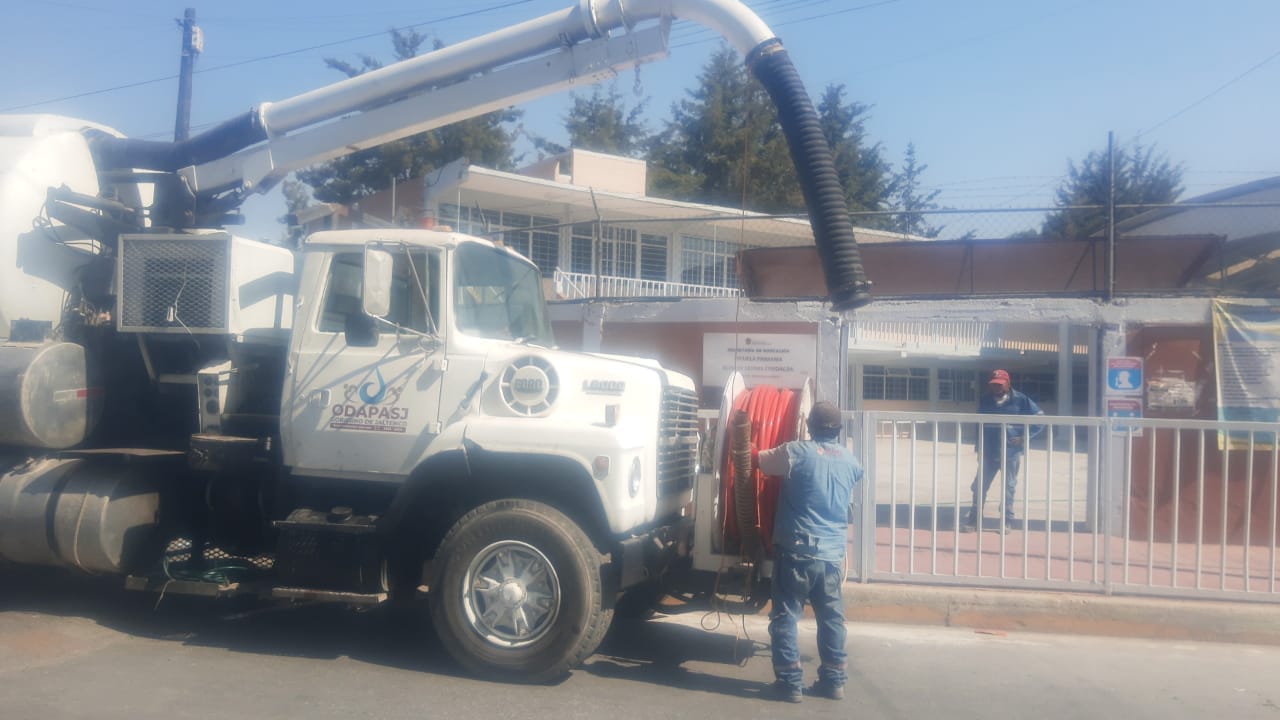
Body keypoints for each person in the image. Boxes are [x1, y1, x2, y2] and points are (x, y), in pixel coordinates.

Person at [756, 401, 863, 703]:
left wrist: (746, 440)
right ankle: (834, 681)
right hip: (831, 557)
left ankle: (790, 683)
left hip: (796, 552)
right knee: (831, 618)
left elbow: (756, 461)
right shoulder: (851, 462)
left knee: (786, 615)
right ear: (839, 430)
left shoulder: (795, 453)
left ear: (809, 425)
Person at [961, 369, 1044, 533]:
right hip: (989, 451)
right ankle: (974, 519)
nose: (996, 388)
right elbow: (979, 425)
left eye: (1000, 385)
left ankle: (1007, 520)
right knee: (979, 486)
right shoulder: (985, 400)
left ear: (1008, 384)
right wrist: (979, 449)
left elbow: (1039, 418)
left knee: (1008, 487)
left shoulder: (1021, 400)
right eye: (993, 385)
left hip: (1010, 452)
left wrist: (1025, 437)